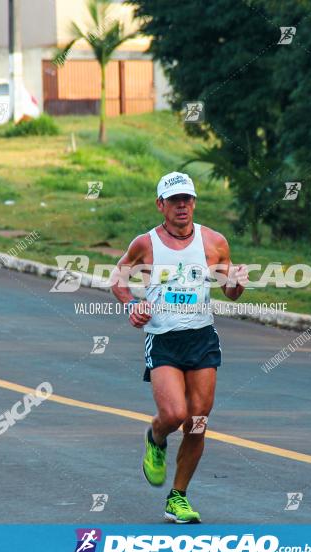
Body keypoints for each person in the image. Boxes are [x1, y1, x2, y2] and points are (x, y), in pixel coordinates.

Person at [111, 171, 247, 523]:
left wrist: (236, 285)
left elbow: (230, 290)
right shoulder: (145, 244)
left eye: (187, 198)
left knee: (198, 421)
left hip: (201, 339)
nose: (182, 205)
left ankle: (178, 497)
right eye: (174, 200)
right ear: (161, 205)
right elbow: (118, 277)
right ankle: (156, 437)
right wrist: (132, 304)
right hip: (164, 339)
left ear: (195, 203)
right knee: (174, 415)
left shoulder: (214, 242)